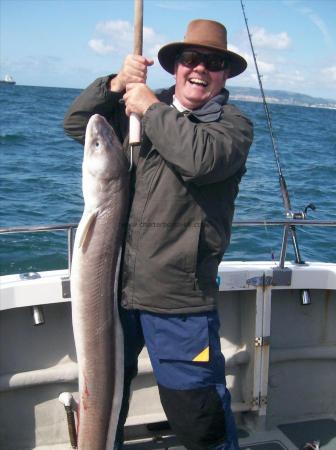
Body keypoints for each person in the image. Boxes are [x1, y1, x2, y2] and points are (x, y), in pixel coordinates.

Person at [64, 19, 253, 450]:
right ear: (176, 67)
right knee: (106, 403)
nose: (200, 69)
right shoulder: (142, 110)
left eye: (213, 62)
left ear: (225, 74)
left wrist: (149, 106)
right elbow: (81, 127)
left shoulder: (232, 127)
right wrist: (116, 84)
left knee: (198, 415)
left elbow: (200, 160)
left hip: (179, 301)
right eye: (191, 59)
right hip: (116, 293)